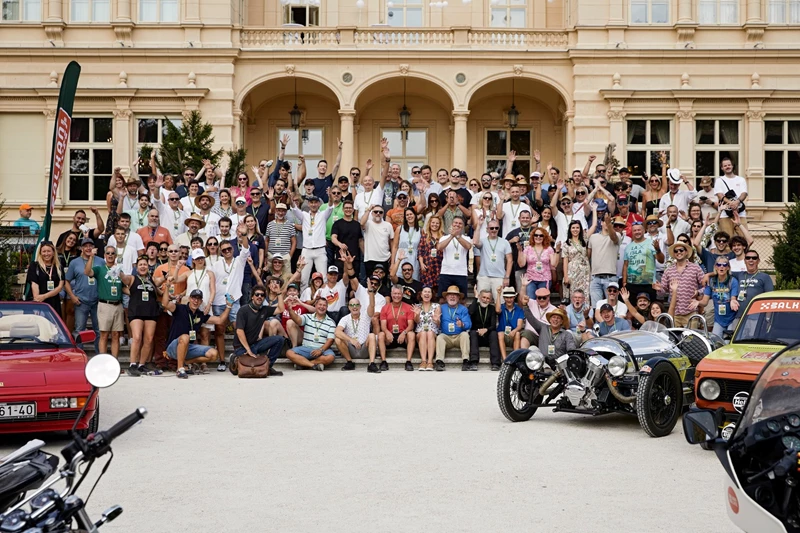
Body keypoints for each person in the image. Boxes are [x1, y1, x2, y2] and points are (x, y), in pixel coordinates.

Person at [162, 287, 232, 379]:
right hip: (173, 347)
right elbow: (165, 303)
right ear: (190, 299)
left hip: (188, 348)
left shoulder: (200, 315)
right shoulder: (179, 308)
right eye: (194, 298)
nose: (196, 301)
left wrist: (229, 306)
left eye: (198, 299)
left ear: (201, 301)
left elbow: (219, 320)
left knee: (214, 354)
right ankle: (180, 369)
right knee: (185, 337)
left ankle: (186, 362)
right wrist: (167, 286)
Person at [118, 257, 160, 376]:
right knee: (136, 337)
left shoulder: (152, 280)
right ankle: (132, 364)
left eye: (145, 265)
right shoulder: (132, 278)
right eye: (140, 264)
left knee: (149, 339)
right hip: (136, 312)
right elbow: (124, 279)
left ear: (148, 267)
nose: (143, 266)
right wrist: (119, 271)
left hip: (151, 312)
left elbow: (162, 280)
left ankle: (142, 364)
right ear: (136, 267)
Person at [232, 288, 285, 377]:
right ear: (252, 296)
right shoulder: (243, 310)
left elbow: (281, 309)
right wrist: (248, 350)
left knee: (279, 339)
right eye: (257, 294)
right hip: (242, 347)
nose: (259, 297)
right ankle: (235, 360)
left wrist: (279, 293)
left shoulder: (264, 310)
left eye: (262, 295)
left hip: (255, 344)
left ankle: (267, 366)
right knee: (246, 366)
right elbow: (239, 331)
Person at [84, 246, 124, 358]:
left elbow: (124, 286)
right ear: (105, 256)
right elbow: (87, 272)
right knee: (104, 334)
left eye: (112, 253)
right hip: (105, 304)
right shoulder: (100, 269)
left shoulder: (119, 270)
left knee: (116, 335)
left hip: (118, 304)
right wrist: (91, 257)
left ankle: (114, 363)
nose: (110, 255)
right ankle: (103, 362)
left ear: (115, 256)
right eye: (108, 253)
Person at [64, 238, 102, 352]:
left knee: (99, 330)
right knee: (80, 330)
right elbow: (66, 281)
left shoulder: (101, 261)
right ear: (81, 248)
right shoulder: (74, 262)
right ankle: (80, 354)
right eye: (86, 246)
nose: (88, 248)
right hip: (81, 301)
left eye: (91, 246)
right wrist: (72, 296)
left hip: (97, 300)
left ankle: (99, 355)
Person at [290, 194, 334, 290]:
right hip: (306, 250)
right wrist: (290, 198)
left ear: (318, 204)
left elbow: (330, 207)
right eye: (311, 203)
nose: (313, 205)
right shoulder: (304, 215)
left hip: (320, 250)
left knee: (323, 278)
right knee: (304, 279)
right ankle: (303, 301)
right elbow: (294, 209)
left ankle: (323, 301)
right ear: (308, 204)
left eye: (315, 202)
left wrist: (330, 196)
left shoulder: (323, 215)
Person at [520, 284, 576, 358]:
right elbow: (530, 318)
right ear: (549, 319)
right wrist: (524, 305)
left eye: (558, 318)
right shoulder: (543, 327)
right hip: (543, 362)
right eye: (553, 317)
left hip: (559, 363)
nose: (555, 320)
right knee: (532, 348)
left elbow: (571, 350)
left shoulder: (566, 334)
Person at [657, 241, 705, 327]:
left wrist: (698, 292)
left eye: (681, 250)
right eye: (676, 251)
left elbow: (707, 286)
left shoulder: (695, 268)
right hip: (675, 313)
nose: (678, 252)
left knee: (691, 339)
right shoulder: (668, 270)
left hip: (691, 312)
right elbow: (663, 291)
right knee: (675, 339)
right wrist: (659, 288)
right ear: (674, 254)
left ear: (686, 252)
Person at [285, 297, 337, 371]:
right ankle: (313, 365)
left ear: (327, 307)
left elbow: (330, 340)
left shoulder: (331, 322)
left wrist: (320, 350)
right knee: (289, 353)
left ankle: (303, 364)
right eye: (320, 304)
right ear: (315, 305)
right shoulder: (308, 317)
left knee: (330, 357)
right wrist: (290, 310)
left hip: (322, 349)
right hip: (307, 348)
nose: (322, 307)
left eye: (324, 305)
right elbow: (297, 320)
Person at [695, 256, 740, 337]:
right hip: (719, 320)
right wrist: (697, 302)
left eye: (724, 265)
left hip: (732, 319)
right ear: (715, 267)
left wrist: (733, 301)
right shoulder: (712, 281)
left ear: (728, 267)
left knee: (727, 342)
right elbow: (705, 302)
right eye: (719, 264)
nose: (721, 267)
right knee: (716, 341)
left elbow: (733, 298)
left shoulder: (733, 281)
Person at [731, 250, 774, 330]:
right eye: (748, 258)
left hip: (756, 318)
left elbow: (770, 298)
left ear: (758, 261)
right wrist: (708, 275)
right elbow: (722, 271)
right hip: (739, 316)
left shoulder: (764, 277)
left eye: (754, 258)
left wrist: (768, 319)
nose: (751, 260)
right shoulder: (740, 274)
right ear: (744, 261)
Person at [473, 219, 512, 302]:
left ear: (499, 229)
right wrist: (478, 226)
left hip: (499, 277)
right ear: (487, 229)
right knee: (481, 303)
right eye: (491, 228)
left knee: (500, 302)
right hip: (484, 276)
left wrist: (507, 277)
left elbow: (510, 260)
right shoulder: (483, 241)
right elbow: (475, 242)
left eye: (496, 228)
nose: (494, 230)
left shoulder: (505, 242)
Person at [378, 285, 416, 371]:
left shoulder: (408, 307)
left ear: (402, 295)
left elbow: (411, 325)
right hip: (390, 336)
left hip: (403, 335)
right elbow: (383, 326)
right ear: (391, 294)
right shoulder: (385, 308)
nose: (397, 296)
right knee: (381, 335)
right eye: (395, 293)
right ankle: (383, 361)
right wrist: (387, 332)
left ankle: (408, 361)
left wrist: (404, 333)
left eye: (399, 294)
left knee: (411, 334)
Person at [622, 221, 662, 302]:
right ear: (632, 232)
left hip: (649, 283)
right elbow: (625, 265)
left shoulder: (651, 243)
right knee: (632, 309)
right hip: (632, 284)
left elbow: (661, 260)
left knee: (650, 309)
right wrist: (624, 282)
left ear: (644, 231)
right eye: (635, 230)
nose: (637, 232)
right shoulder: (628, 247)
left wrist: (658, 250)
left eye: (639, 230)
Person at [434, 285, 471, 371]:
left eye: (455, 295)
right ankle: (439, 361)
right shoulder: (441, 308)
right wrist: (437, 321)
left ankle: (466, 360)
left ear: (458, 298)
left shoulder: (463, 309)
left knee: (465, 334)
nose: (452, 297)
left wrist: (462, 324)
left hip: (459, 337)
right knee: (440, 337)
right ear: (446, 297)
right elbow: (437, 322)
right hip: (446, 337)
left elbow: (468, 324)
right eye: (450, 294)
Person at [335, 296, 376, 372]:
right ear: (349, 307)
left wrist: (371, 293)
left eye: (357, 305)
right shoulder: (345, 319)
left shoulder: (366, 316)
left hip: (364, 348)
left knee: (372, 336)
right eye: (352, 305)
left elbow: (372, 305)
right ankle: (349, 362)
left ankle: (372, 364)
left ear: (360, 307)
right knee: (337, 339)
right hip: (351, 349)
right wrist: (351, 340)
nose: (354, 307)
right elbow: (337, 332)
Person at [587, 213, 620, 306]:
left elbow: (613, 238)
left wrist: (609, 224)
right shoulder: (593, 237)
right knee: (596, 307)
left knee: (612, 306)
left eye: (610, 222)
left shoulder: (617, 235)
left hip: (610, 277)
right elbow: (588, 256)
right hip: (595, 277)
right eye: (605, 221)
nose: (607, 223)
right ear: (601, 223)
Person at [437, 216, 472, 298]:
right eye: (455, 223)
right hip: (446, 272)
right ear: (452, 224)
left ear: (463, 226)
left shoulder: (466, 238)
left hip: (461, 273)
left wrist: (457, 236)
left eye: (460, 223)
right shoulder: (444, 237)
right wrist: (451, 236)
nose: (457, 225)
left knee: (462, 299)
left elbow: (468, 246)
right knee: (442, 298)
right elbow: (439, 247)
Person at [519, 228, 559, 299]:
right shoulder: (528, 248)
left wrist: (557, 252)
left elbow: (553, 264)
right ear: (532, 236)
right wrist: (520, 251)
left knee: (542, 301)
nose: (538, 237)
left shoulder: (549, 249)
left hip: (544, 279)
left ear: (544, 237)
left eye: (541, 235)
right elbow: (522, 264)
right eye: (536, 235)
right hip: (530, 279)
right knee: (531, 301)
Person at [715, 156, 748, 238]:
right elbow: (720, 195)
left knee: (744, 238)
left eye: (729, 165)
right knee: (727, 240)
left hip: (740, 213)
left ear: (732, 166)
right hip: (725, 214)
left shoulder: (741, 179)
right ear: (722, 168)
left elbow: (744, 193)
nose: (727, 167)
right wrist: (731, 204)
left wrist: (736, 202)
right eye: (725, 166)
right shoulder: (719, 180)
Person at [27, 241, 63, 315]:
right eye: (44, 251)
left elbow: (60, 287)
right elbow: (34, 284)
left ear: (53, 253)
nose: (46, 254)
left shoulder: (58, 267)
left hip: (53, 302)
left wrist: (44, 296)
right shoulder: (34, 266)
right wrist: (37, 298)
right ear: (40, 253)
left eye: (49, 251)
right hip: (38, 302)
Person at [467, 289, 498, 371]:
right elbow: (470, 312)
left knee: (494, 333)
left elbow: (493, 325)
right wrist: (475, 298)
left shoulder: (491, 308)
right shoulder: (474, 306)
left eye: (488, 298)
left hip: (488, 336)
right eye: (483, 297)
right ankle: (474, 362)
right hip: (476, 336)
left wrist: (486, 330)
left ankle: (495, 363)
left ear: (490, 300)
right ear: (480, 297)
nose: (485, 300)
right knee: (473, 333)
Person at [331, 199, 363, 278]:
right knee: (341, 281)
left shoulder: (357, 224)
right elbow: (333, 238)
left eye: (350, 208)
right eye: (346, 208)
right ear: (343, 209)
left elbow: (360, 241)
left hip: (355, 258)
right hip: (341, 258)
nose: (348, 210)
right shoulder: (337, 223)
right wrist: (340, 244)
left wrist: (364, 254)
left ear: (353, 210)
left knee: (354, 280)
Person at [361, 203, 394, 279]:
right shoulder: (368, 223)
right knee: (371, 282)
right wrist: (369, 209)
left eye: (380, 212)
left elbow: (392, 242)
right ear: (372, 213)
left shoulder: (388, 225)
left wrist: (392, 257)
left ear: (383, 214)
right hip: (370, 259)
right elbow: (362, 222)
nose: (378, 214)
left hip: (385, 259)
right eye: (375, 212)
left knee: (384, 283)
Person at [495, 286, 525, 369]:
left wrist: (514, 331)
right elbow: (497, 310)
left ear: (514, 298)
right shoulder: (502, 307)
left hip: (513, 334)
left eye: (511, 297)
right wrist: (498, 294)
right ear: (504, 298)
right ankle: (505, 360)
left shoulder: (519, 310)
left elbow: (520, 325)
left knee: (518, 333)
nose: (509, 300)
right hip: (503, 334)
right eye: (507, 298)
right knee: (500, 333)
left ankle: (515, 359)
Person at [413, 286, 440, 371]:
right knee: (424, 333)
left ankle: (430, 362)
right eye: (425, 292)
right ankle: (423, 361)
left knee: (429, 332)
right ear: (421, 294)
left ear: (432, 295)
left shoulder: (437, 306)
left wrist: (436, 320)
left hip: (433, 332)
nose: (427, 294)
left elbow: (439, 324)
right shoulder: (417, 306)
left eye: (429, 292)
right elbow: (416, 321)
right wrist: (417, 314)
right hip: (420, 332)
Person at [391, 208, 421, 280]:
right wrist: (392, 263)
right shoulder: (399, 229)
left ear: (415, 215)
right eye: (407, 215)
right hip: (401, 257)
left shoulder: (420, 230)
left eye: (411, 214)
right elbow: (395, 246)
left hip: (414, 258)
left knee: (413, 279)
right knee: (399, 279)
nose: (409, 216)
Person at [418, 215, 444, 296]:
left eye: (437, 223)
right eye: (433, 223)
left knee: (438, 289)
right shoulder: (425, 236)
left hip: (439, 266)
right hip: (427, 266)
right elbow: (420, 251)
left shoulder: (443, 236)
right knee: (427, 289)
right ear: (429, 223)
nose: (435, 225)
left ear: (440, 224)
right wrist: (421, 264)